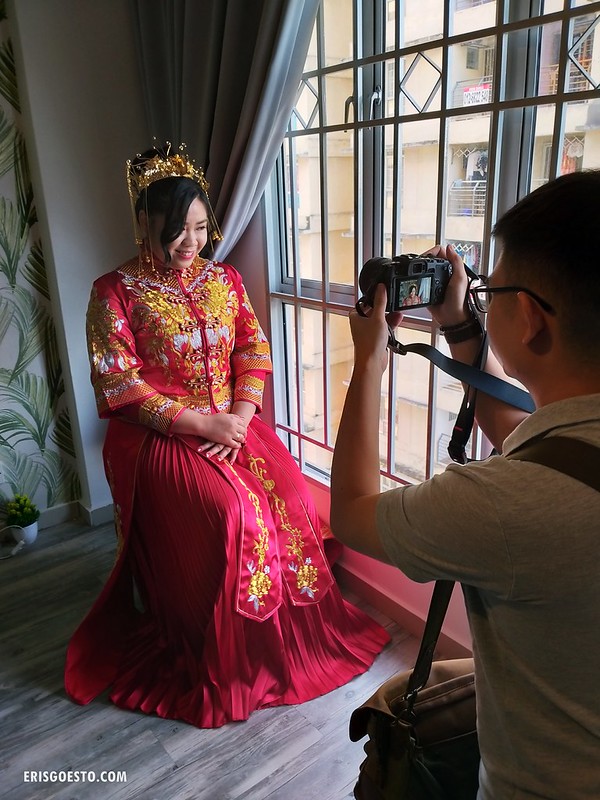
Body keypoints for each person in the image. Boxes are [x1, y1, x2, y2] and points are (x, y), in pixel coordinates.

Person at [65, 143, 389, 729]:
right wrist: (201, 424)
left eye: (198, 228)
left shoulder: (226, 278)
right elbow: (120, 385)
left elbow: (253, 347)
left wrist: (239, 417)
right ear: (145, 223)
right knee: (232, 511)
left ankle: (293, 642)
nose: (191, 243)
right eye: (176, 230)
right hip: (160, 435)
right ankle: (231, 659)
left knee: (287, 492)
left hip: (233, 423)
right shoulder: (112, 291)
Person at [331, 170, 600, 799]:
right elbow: (532, 438)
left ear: (530, 317)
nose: (484, 297)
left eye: (491, 288)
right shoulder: (567, 455)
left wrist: (368, 355)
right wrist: (458, 322)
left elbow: (350, 512)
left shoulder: (502, 503)